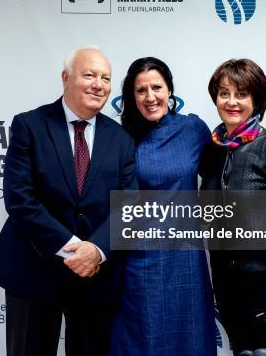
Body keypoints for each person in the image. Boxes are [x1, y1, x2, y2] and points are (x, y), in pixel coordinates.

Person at [0, 46, 138, 356]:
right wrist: (73, 248)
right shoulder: (30, 125)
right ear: (65, 78)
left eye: (106, 78)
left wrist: (95, 250)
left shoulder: (121, 140)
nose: (99, 84)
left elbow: (128, 208)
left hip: (95, 277)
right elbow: (20, 200)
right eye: (89, 75)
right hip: (33, 269)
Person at [200, 59, 266, 354]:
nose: (232, 102)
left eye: (242, 94)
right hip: (228, 286)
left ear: (257, 100)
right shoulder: (213, 149)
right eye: (224, 93)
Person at [110, 57, 216, 356]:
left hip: (186, 260)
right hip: (139, 260)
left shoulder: (193, 129)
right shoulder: (121, 137)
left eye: (156, 87)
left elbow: (217, 179)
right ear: (131, 97)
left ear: (170, 90)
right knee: (143, 342)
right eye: (141, 90)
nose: (150, 96)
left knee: (191, 341)